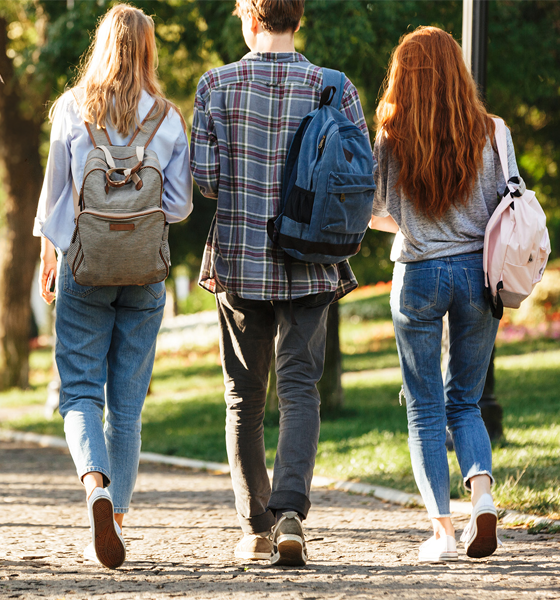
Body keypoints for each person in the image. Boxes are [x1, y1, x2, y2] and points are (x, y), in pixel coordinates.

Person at [190, 0, 369, 567]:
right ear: (298, 19)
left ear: (249, 19)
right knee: (299, 389)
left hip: (241, 260)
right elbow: (360, 180)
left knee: (244, 397)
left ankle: (255, 527)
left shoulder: (215, 85)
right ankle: (291, 514)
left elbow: (207, 181)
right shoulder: (335, 87)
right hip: (313, 258)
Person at [34, 4, 193, 569]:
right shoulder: (169, 119)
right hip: (146, 274)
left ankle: (95, 490)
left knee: (79, 391)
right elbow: (177, 208)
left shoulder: (72, 110)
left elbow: (55, 195)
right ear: (149, 51)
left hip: (85, 266)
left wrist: (50, 256)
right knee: (127, 407)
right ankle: (117, 522)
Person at [370, 27, 524, 562]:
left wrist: (415, 223)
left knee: (424, 406)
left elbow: (373, 210)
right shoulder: (494, 131)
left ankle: (442, 531)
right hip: (479, 275)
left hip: (417, 274)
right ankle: (481, 495)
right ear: (459, 71)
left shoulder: (391, 134)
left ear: (403, 77)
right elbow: (510, 205)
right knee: (466, 400)